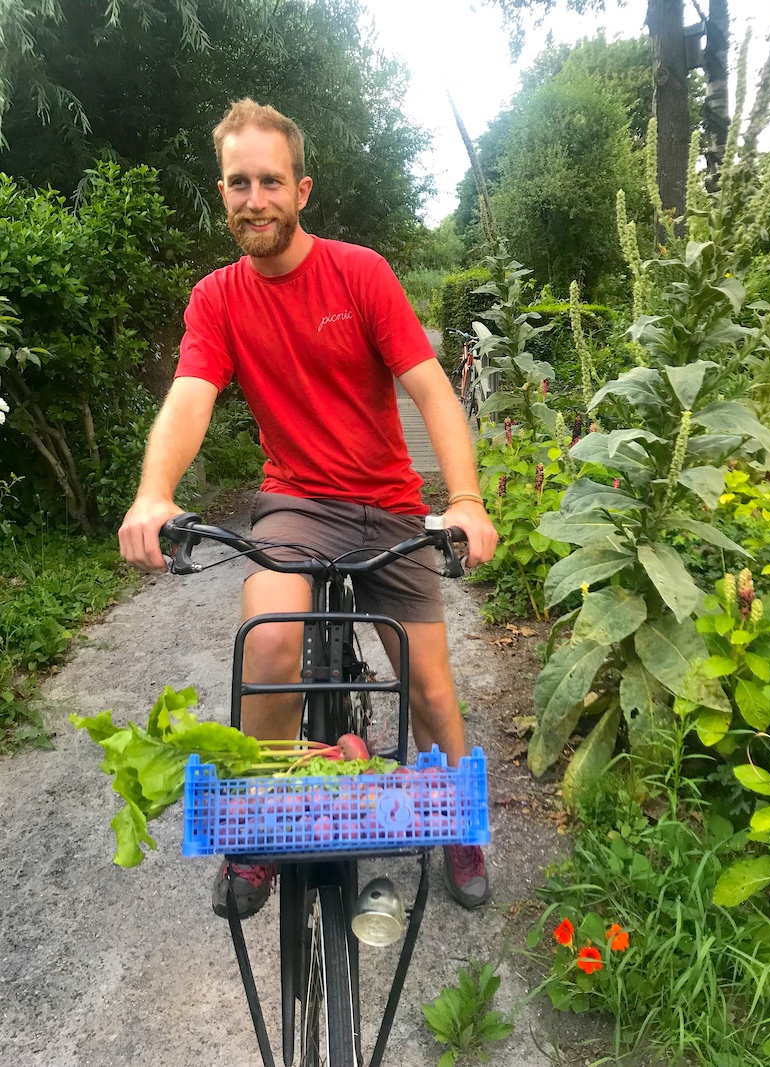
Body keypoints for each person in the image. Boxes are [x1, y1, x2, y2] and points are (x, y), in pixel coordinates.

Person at [118, 98, 498, 917]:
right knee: (274, 639)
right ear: (222, 192)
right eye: (237, 182)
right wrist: (154, 494)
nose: (253, 198)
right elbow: (189, 399)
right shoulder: (217, 299)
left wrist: (463, 500)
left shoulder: (359, 273)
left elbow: (430, 390)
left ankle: (462, 826)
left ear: (302, 189)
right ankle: (259, 830)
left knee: (429, 688)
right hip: (296, 501)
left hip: (391, 506)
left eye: (270, 181)